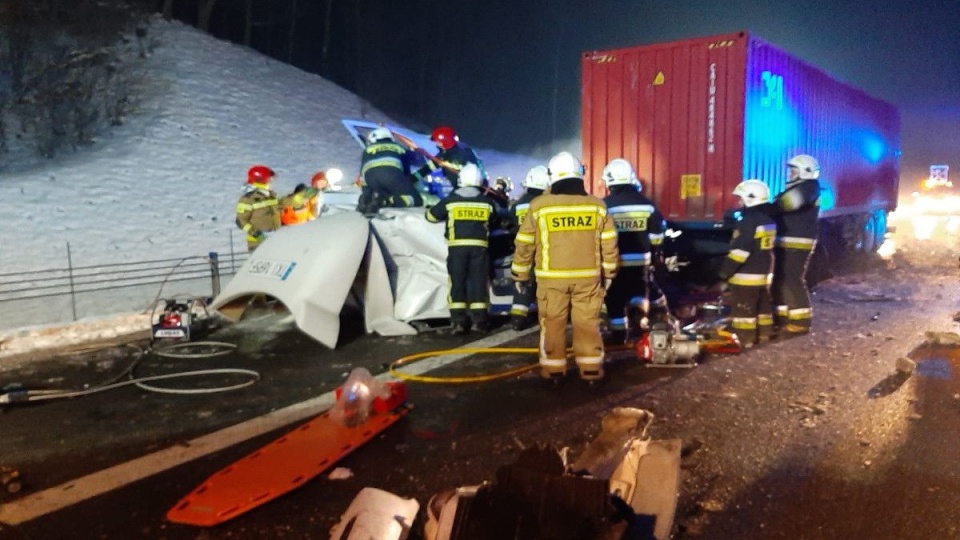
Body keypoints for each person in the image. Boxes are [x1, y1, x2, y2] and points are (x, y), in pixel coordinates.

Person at [511, 152, 619, 381]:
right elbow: (609, 242)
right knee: (588, 323)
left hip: (551, 280)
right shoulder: (597, 206)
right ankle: (591, 370)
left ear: (552, 176)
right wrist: (609, 272)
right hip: (588, 279)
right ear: (580, 175)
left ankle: (554, 371)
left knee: (552, 323)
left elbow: (524, 243)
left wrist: (520, 274)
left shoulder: (539, 206)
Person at [600, 158, 670, 343]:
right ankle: (640, 326)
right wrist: (656, 258)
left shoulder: (604, 206)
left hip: (614, 262)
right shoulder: (647, 204)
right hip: (641, 262)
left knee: (614, 298)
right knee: (639, 291)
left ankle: (618, 335)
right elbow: (657, 237)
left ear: (609, 181)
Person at [426, 163, 498, 335]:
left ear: (461, 180)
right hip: (479, 248)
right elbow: (495, 219)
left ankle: (459, 321)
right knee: (478, 283)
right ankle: (479, 321)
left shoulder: (451, 200)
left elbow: (431, 216)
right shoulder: (486, 202)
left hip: (457, 248)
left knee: (457, 283)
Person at [717, 180, 777, 347]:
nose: (739, 203)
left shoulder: (748, 222)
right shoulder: (768, 220)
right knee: (763, 304)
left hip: (746, 274)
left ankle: (745, 338)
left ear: (751, 199)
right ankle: (765, 333)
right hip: (763, 271)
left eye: (741, 199)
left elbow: (739, 252)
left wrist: (725, 271)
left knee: (744, 308)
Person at [771, 154, 822, 336]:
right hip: (786, 240)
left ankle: (801, 322)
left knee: (792, 279)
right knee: (780, 280)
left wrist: (766, 208)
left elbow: (789, 204)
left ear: (805, 171)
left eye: (794, 170)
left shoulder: (809, 188)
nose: (790, 173)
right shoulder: (798, 188)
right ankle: (782, 318)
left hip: (797, 242)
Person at [508, 165, 549, 330]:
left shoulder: (518, 205)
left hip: (522, 250)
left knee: (522, 283)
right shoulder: (546, 204)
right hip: (544, 250)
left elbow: (510, 225)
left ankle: (517, 319)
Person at [358, 127, 423, 214]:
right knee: (415, 199)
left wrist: (366, 194)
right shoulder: (399, 148)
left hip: (371, 178)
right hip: (392, 175)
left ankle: (367, 203)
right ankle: (385, 202)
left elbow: (363, 172)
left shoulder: (368, 150)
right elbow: (406, 171)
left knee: (384, 192)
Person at [412, 125, 486, 190]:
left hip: (469, 189)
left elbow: (462, 169)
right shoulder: (447, 152)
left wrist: (445, 164)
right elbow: (429, 167)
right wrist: (412, 178)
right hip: (463, 188)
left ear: (445, 141)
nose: (437, 144)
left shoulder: (460, 153)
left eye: (438, 142)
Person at [236, 164, 281, 252]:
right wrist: (256, 234)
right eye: (269, 178)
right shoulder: (248, 199)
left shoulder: (272, 195)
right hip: (257, 243)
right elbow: (240, 221)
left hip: (275, 239)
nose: (271, 181)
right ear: (260, 180)